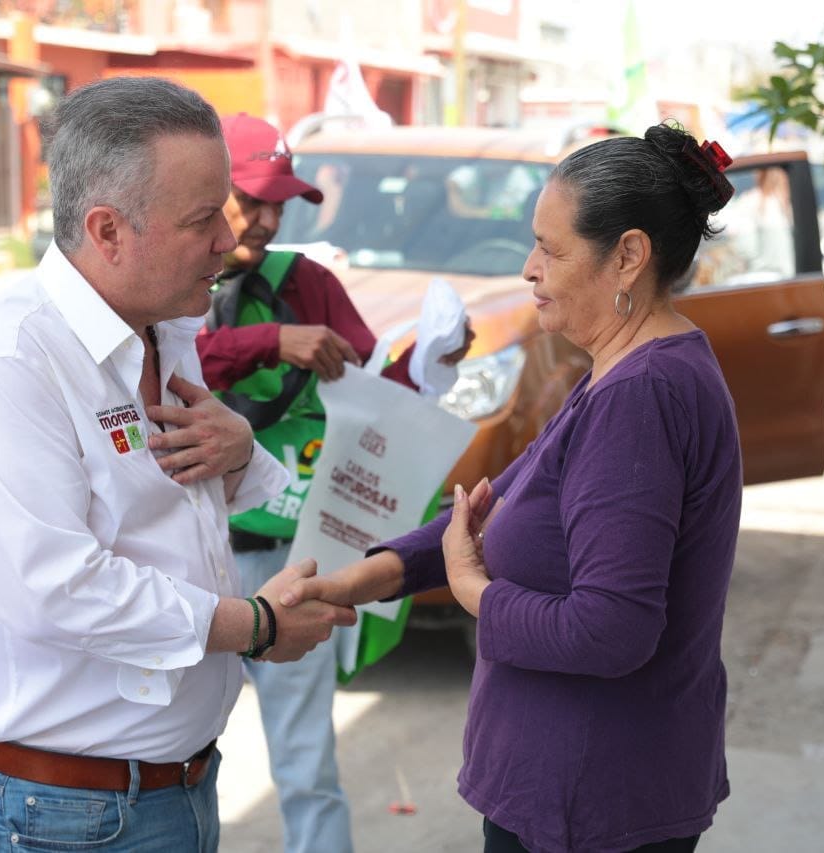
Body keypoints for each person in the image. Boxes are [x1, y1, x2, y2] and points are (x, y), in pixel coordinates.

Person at [0, 79, 356, 853]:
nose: (228, 238)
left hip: (167, 784)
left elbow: (159, 505)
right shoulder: (6, 363)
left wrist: (240, 454)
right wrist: (253, 624)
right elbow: (57, 585)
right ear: (107, 230)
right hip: (64, 811)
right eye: (202, 218)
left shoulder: (163, 330)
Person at [279, 123, 744, 853]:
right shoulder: (623, 373)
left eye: (550, 250)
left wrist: (475, 594)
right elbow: (486, 515)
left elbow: (612, 628)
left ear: (627, 256)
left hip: (589, 798)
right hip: (588, 786)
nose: (528, 269)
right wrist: (365, 579)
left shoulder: (641, 396)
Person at [195, 112, 472, 853]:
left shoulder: (307, 283)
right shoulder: (162, 284)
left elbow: (374, 390)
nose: (268, 217)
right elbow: (157, 371)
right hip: (184, 559)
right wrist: (268, 342)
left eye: (279, 202)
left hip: (293, 558)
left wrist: (433, 360)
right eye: (251, 197)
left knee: (306, 763)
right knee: (171, 761)